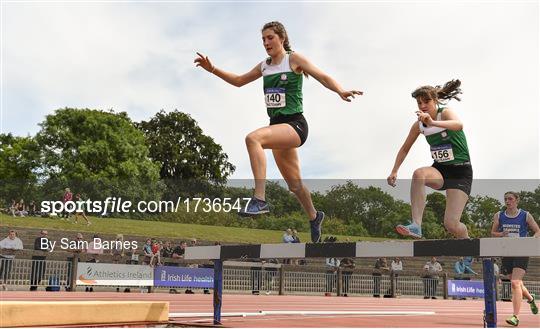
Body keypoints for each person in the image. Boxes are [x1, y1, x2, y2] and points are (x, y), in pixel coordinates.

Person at [195, 21, 362, 243]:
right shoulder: (264, 65)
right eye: (263, 39)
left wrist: (340, 90)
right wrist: (212, 69)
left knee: (253, 138)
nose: (266, 43)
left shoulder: (293, 59)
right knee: (295, 185)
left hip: (295, 125)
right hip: (277, 128)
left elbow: (323, 76)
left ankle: (259, 199)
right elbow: (238, 81)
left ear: (282, 38)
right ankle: (314, 216)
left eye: (270, 38)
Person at [387, 80, 472, 239]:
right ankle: (416, 225)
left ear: (435, 100)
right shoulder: (418, 126)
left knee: (451, 225)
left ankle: (467, 241)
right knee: (419, 174)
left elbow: (459, 125)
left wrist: (432, 122)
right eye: (419, 103)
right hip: (440, 169)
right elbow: (405, 148)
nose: (423, 105)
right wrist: (394, 170)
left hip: (460, 171)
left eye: (426, 101)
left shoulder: (445, 113)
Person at [491, 191, 539, 326]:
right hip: (507, 252)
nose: (507, 201)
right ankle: (530, 298)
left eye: (510, 199)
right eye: (505, 199)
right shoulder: (499, 215)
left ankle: (515, 317)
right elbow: (492, 233)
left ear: (517, 200)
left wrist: (532, 239)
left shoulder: (525, 215)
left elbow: (538, 230)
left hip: (522, 251)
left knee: (515, 282)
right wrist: (501, 234)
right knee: (516, 282)